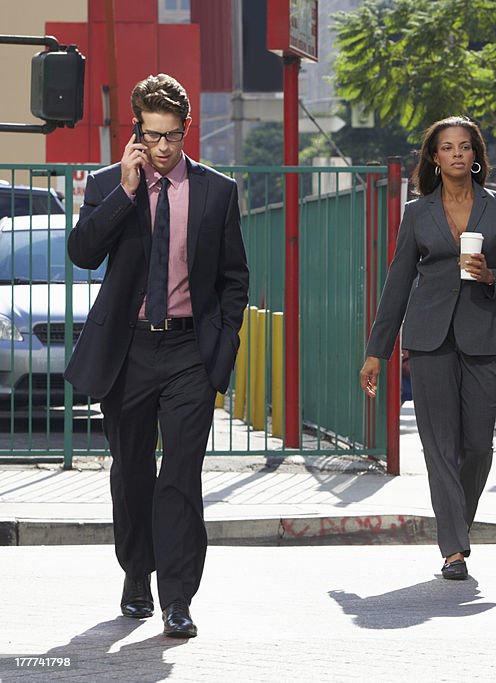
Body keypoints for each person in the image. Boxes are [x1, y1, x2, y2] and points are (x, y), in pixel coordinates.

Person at [65, 74, 249, 638]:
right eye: (153, 136)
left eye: (172, 136)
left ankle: (178, 598)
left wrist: (223, 343)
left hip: (191, 351)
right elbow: (82, 253)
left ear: (186, 130)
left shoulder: (217, 191)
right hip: (129, 351)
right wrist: (124, 191)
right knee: (132, 474)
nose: (163, 148)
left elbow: (234, 277)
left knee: (181, 474)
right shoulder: (108, 185)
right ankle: (135, 576)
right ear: (136, 133)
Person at [359, 116, 496, 580]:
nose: (457, 154)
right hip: (429, 338)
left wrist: (493, 275)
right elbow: (397, 283)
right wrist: (378, 350)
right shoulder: (418, 213)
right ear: (434, 158)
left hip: (481, 336)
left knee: (477, 446)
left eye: (465, 146)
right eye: (447, 148)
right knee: (439, 446)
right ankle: (453, 548)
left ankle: (459, 524)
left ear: (475, 155)